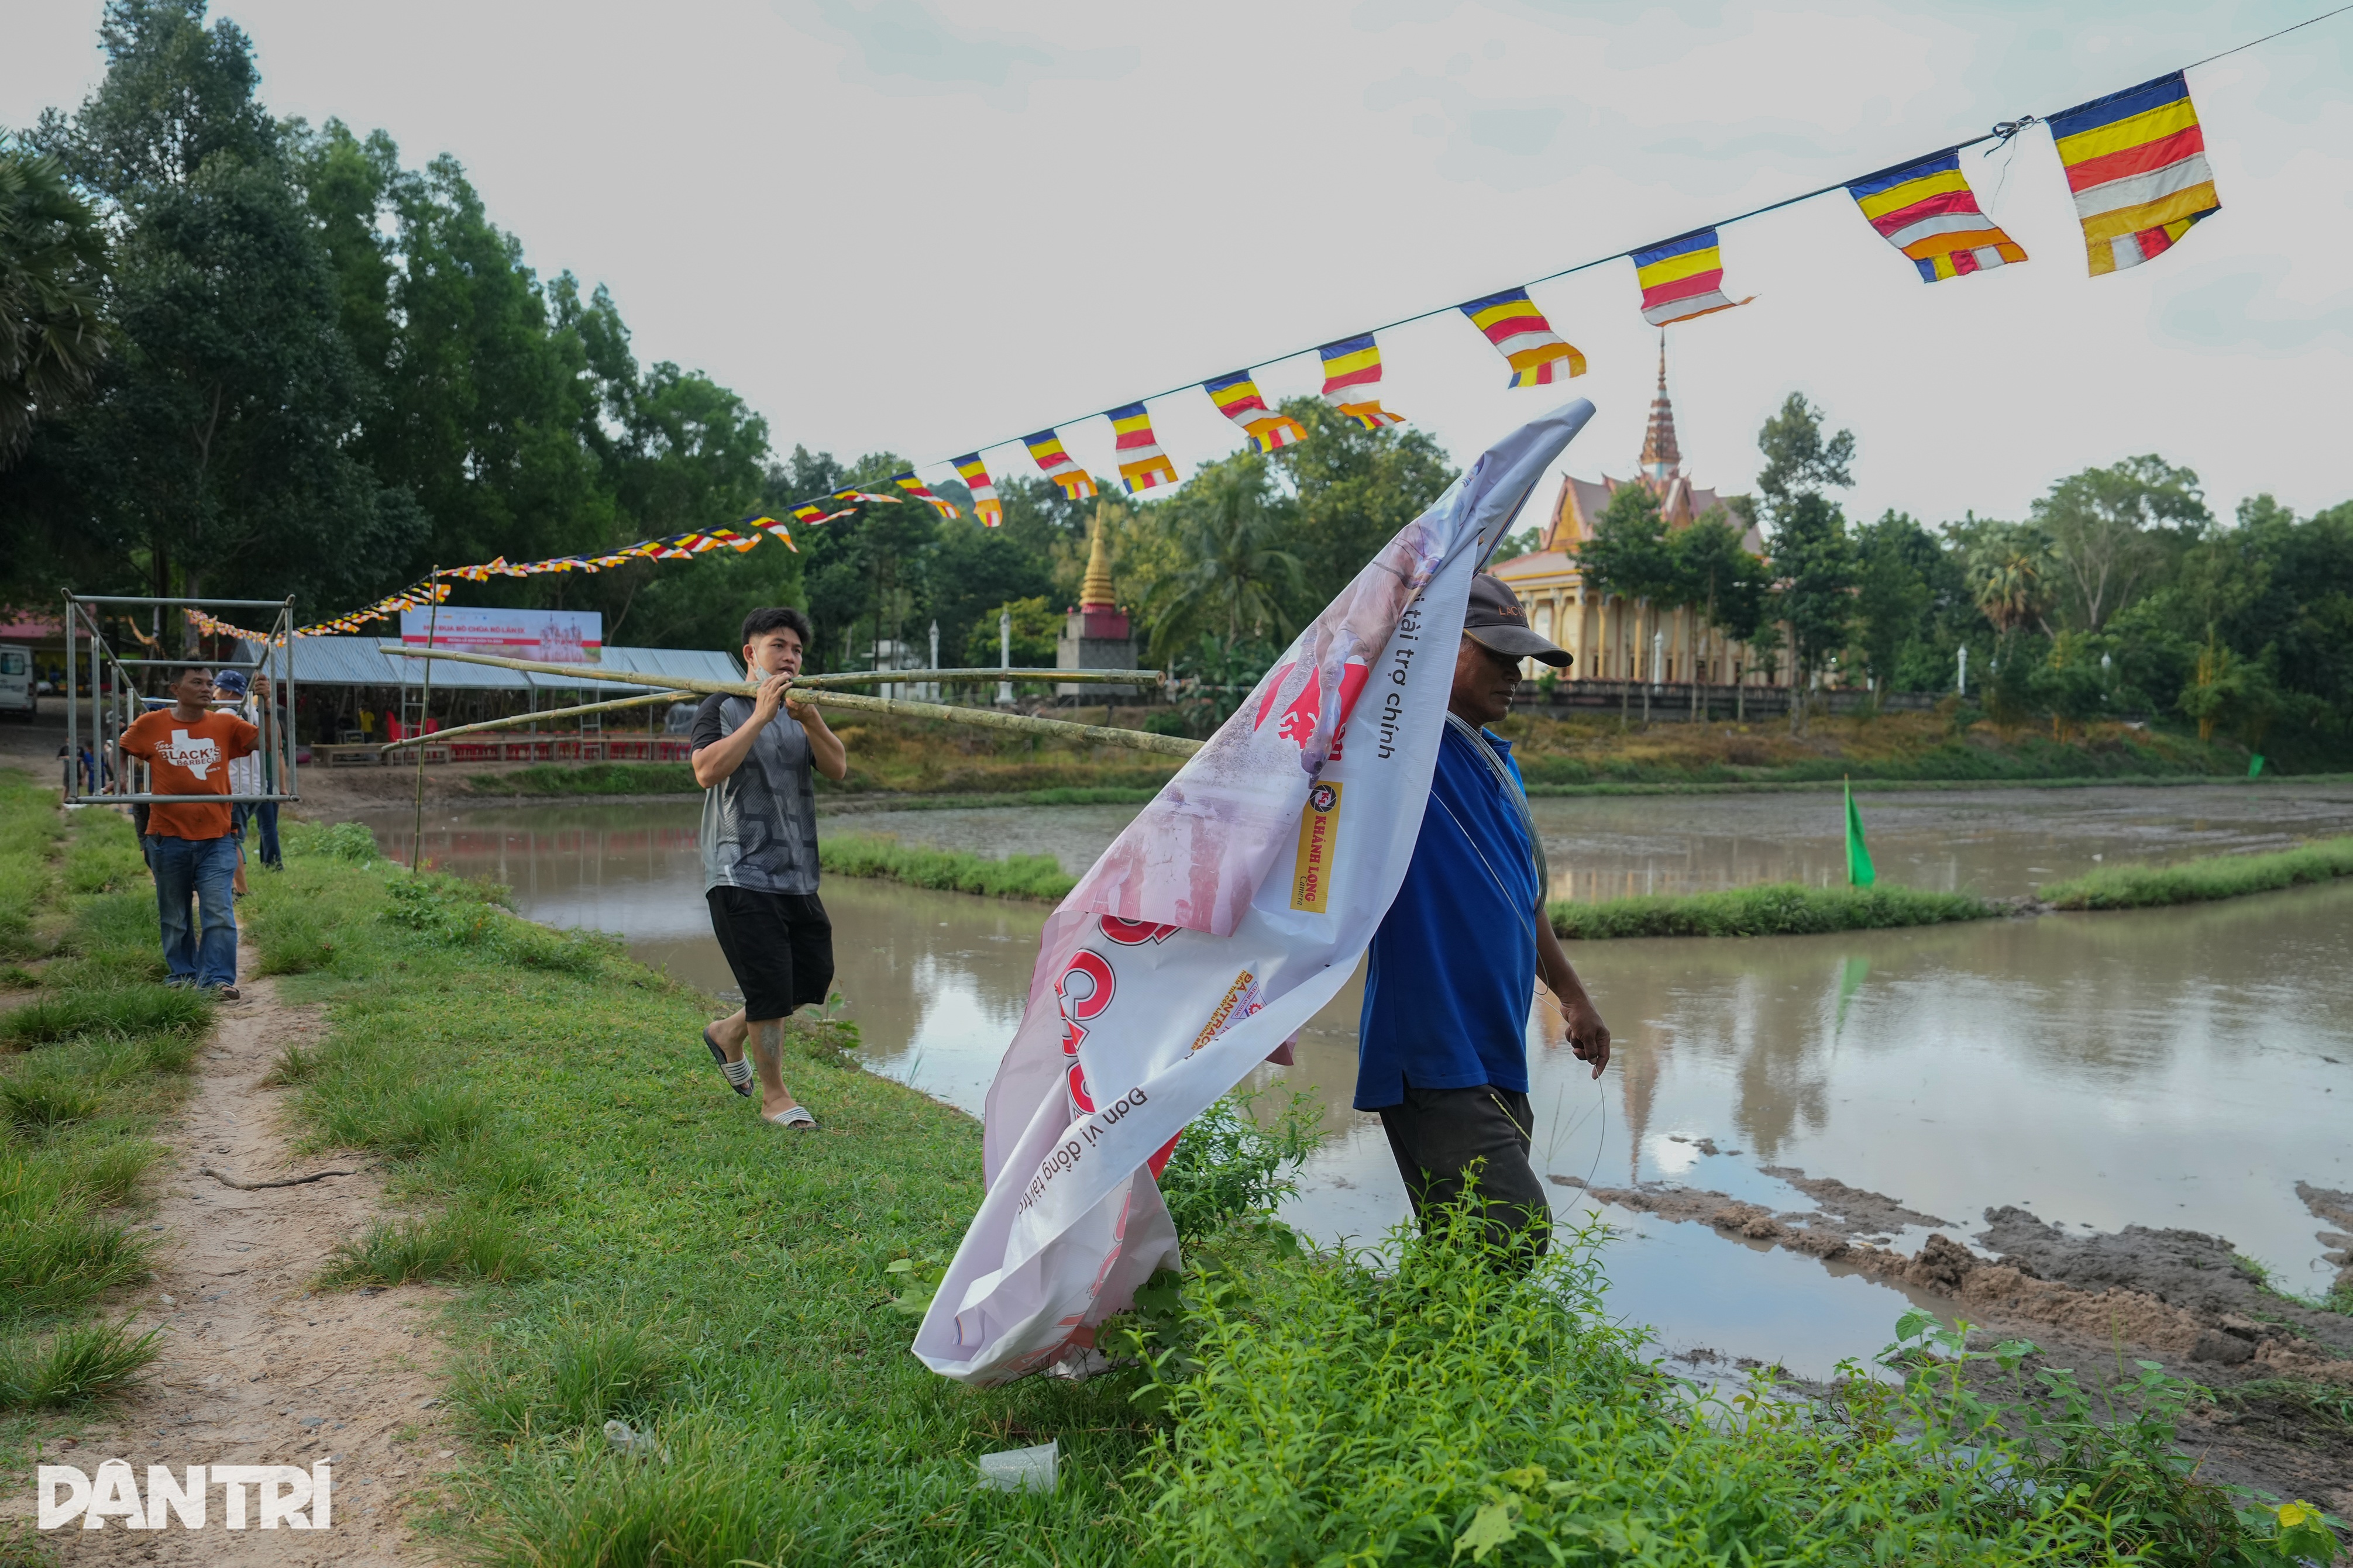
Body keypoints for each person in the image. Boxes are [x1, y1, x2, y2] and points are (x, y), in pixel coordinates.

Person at [1356, 573, 1612, 1261]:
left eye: (1520, 658)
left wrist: (1572, 993)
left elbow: (1521, 894)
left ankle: (1411, 1365)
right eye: (1495, 653)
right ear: (1437, 648)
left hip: (1497, 1043)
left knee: (1461, 1252)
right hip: (1430, 1045)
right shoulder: (1398, 749)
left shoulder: (1495, 762)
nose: (1515, 673)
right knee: (1512, 1233)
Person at [690, 607, 849, 1129]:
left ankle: (728, 1032)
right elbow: (707, 770)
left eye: (798, 650)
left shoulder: (802, 715)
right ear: (750, 654)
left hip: (797, 870)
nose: (790, 657)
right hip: (738, 870)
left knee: (810, 976)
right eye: (778, 646)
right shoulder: (722, 705)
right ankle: (775, 1097)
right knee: (769, 984)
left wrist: (811, 718)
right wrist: (759, 716)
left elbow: (838, 767)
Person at [118, 664, 259, 1000]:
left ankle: (218, 980)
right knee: (176, 914)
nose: (207, 688)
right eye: (197, 682)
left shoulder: (225, 723)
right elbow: (122, 748)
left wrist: (265, 705)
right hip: (168, 837)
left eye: (210, 683)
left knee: (219, 910)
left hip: (218, 836)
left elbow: (266, 743)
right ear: (175, 688)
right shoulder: (152, 724)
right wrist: (123, 783)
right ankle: (182, 975)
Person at [214, 668, 282, 877]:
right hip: (253, 785)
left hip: (233, 786)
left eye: (216, 687)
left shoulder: (224, 714)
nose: (214, 693)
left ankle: (240, 889)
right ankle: (264, 871)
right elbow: (277, 744)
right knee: (237, 837)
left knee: (229, 840)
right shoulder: (254, 711)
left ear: (228, 691)